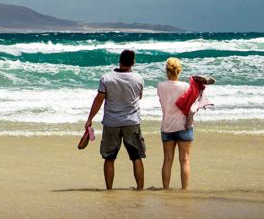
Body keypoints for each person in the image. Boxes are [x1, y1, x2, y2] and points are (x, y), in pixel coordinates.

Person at [83, 49, 145, 190]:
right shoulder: (138, 78)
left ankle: (109, 189)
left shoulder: (107, 78)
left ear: (120, 60)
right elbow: (139, 96)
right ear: (133, 62)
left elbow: (99, 100)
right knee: (136, 157)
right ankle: (140, 189)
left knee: (109, 158)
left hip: (112, 122)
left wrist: (90, 119)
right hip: (132, 122)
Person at [156, 57, 214, 190]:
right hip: (184, 126)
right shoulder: (186, 86)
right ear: (179, 71)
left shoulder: (160, 86)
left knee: (167, 159)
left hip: (167, 126)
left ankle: (165, 189)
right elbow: (192, 101)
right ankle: (184, 190)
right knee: (185, 160)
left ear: (166, 71)